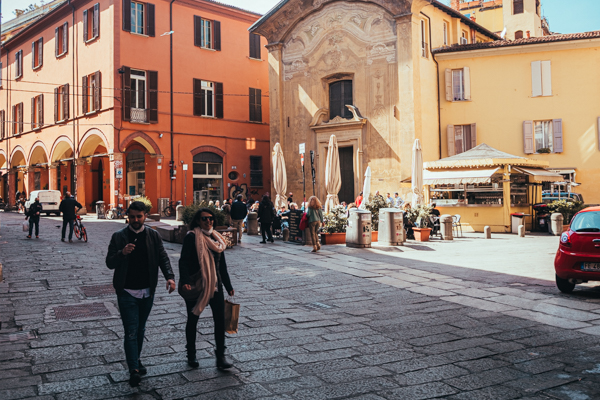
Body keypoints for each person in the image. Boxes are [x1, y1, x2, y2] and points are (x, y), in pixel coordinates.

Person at [105, 201, 176, 387]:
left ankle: (136, 359)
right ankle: (134, 370)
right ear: (128, 216)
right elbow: (110, 262)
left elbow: (162, 257)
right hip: (126, 291)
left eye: (139, 216)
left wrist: (170, 277)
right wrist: (122, 253)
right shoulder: (118, 236)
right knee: (131, 331)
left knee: (141, 329)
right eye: (133, 216)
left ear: (145, 216)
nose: (136, 220)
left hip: (147, 291)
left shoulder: (153, 235)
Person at [178, 208, 235, 370]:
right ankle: (191, 354)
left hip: (215, 286)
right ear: (198, 220)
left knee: (219, 320)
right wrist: (185, 281)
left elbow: (221, 265)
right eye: (204, 218)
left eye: (210, 218)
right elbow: (183, 261)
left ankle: (221, 356)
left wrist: (228, 286)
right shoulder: (192, 237)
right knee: (193, 318)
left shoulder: (217, 239)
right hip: (197, 285)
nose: (208, 221)